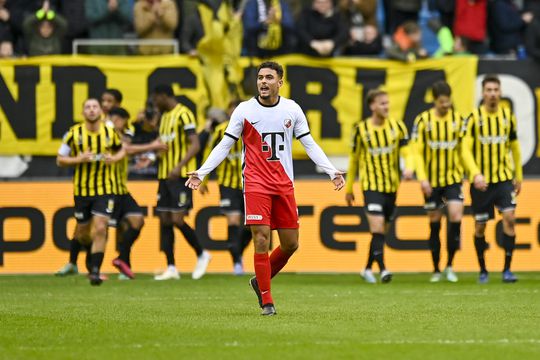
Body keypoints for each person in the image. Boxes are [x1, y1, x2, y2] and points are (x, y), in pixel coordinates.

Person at [186, 61, 345, 316]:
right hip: (255, 183)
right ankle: (267, 300)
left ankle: (259, 280)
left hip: (284, 185)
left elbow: (310, 144)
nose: (263, 82)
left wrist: (331, 170)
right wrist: (203, 172)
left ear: (280, 82)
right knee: (261, 238)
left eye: (269, 77)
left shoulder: (292, 109)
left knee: (291, 244)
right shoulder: (244, 110)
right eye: (260, 77)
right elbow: (225, 145)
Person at [345, 89, 414, 284]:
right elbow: (354, 161)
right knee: (377, 227)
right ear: (372, 106)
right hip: (371, 187)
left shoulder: (397, 127)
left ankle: (367, 268)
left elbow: (408, 152)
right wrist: (349, 189)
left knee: (381, 231)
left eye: (387, 103)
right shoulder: (360, 130)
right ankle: (383, 269)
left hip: (392, 187)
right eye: (382, 103)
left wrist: (409, 168)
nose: (386, 107)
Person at [55, 88, 124, 278]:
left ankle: (95, 271)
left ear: (100, 111)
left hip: (105, 189)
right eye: (88, 107)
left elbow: (122, 150)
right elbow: (60, 159)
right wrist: (79, 159)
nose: (92, 110)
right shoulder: (73, 134)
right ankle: (84, 263)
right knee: (83, 233)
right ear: (83, 112)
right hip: (82, 190)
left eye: (95, 106)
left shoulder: (110, 133)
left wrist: (115, 158)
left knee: (101, 226)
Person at [461, 74, 523, 284]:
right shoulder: (473, 119)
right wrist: (475, 173)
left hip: (504, 180)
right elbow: (465, 150)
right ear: (482, 93)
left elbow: (514, 148)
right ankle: (483, 269)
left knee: (510, 219)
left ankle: (507, 270)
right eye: (489, 90)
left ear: (501, 92)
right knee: (480, 227)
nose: (493, 94)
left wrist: (519, 176)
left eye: (496, 90)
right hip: (481, 183)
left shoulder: (507, 118)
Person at [152, 84, 211, 280]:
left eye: (156, 98)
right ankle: (171, 267)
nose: (154, 102)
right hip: (164, 175)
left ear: (163, 95)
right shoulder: (163, 117)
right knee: (165, 220)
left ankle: (202, 253)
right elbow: (164, 146)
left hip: (179, 176)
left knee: (177, 219)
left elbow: (195, 145)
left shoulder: (184, 114)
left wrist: (179, 166)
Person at [410, 81, 464, 283]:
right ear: (435, 101)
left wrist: (473, 172)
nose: (446, 105)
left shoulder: (458, 120)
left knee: (456, 216)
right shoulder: (423, 121)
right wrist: (422, 178)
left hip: (453, 179)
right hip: (431, 181)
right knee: (434, 223)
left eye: (448, 101)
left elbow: (464, 150)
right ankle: (436, 268)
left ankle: (450, 265)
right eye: (442, 102)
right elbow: (417, 152)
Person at [108, 106, 168, 279]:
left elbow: (127, 146)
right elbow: (127, 149)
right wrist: (153, 146)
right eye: (123, 123)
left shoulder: (121, 133)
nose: (125, 127)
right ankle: (93, 268)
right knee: (98, 229)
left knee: (137, 221)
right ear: (115, 119)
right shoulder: (106, 133)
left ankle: (122, 261)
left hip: (120, 188)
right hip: (105, 189)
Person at [199, 100, 252, 275]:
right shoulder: (221, 130)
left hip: (250, 184)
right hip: (228, 184)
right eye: (233, 110)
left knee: (250, 226)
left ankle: (238, 253)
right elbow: (210, 152)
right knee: (233, 221)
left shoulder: (253, 128)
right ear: (229, 113)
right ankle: (236, 262)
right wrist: (204, 179)